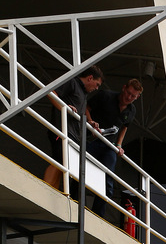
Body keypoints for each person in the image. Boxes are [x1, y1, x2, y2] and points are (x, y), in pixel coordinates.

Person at [86, 78, 142, 215]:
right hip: (92, 139)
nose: (128, 97)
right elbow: (86, 107)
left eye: (133, 96)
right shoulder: (106, 95)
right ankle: (74, 201)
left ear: (137, 97)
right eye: (128, 93)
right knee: (82, 170)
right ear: (124, 88)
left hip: (109, 145)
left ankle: (98, 214)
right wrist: (91, 122)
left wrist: (119, 144)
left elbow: (124, 127)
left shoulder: (132, 110)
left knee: (108, 180)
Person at [44, 66, 103, 190]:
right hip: (61, 129)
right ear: (90, 78)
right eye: (97, 84)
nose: (96, 88)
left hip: (73, 134)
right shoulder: (73, 82)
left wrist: (90, 122)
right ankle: (46, 187)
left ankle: (53, 189)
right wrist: (64, 107)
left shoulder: (83, 94)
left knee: (63, 163)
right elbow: (51, 92)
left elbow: (81, 112)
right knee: (59, 160)